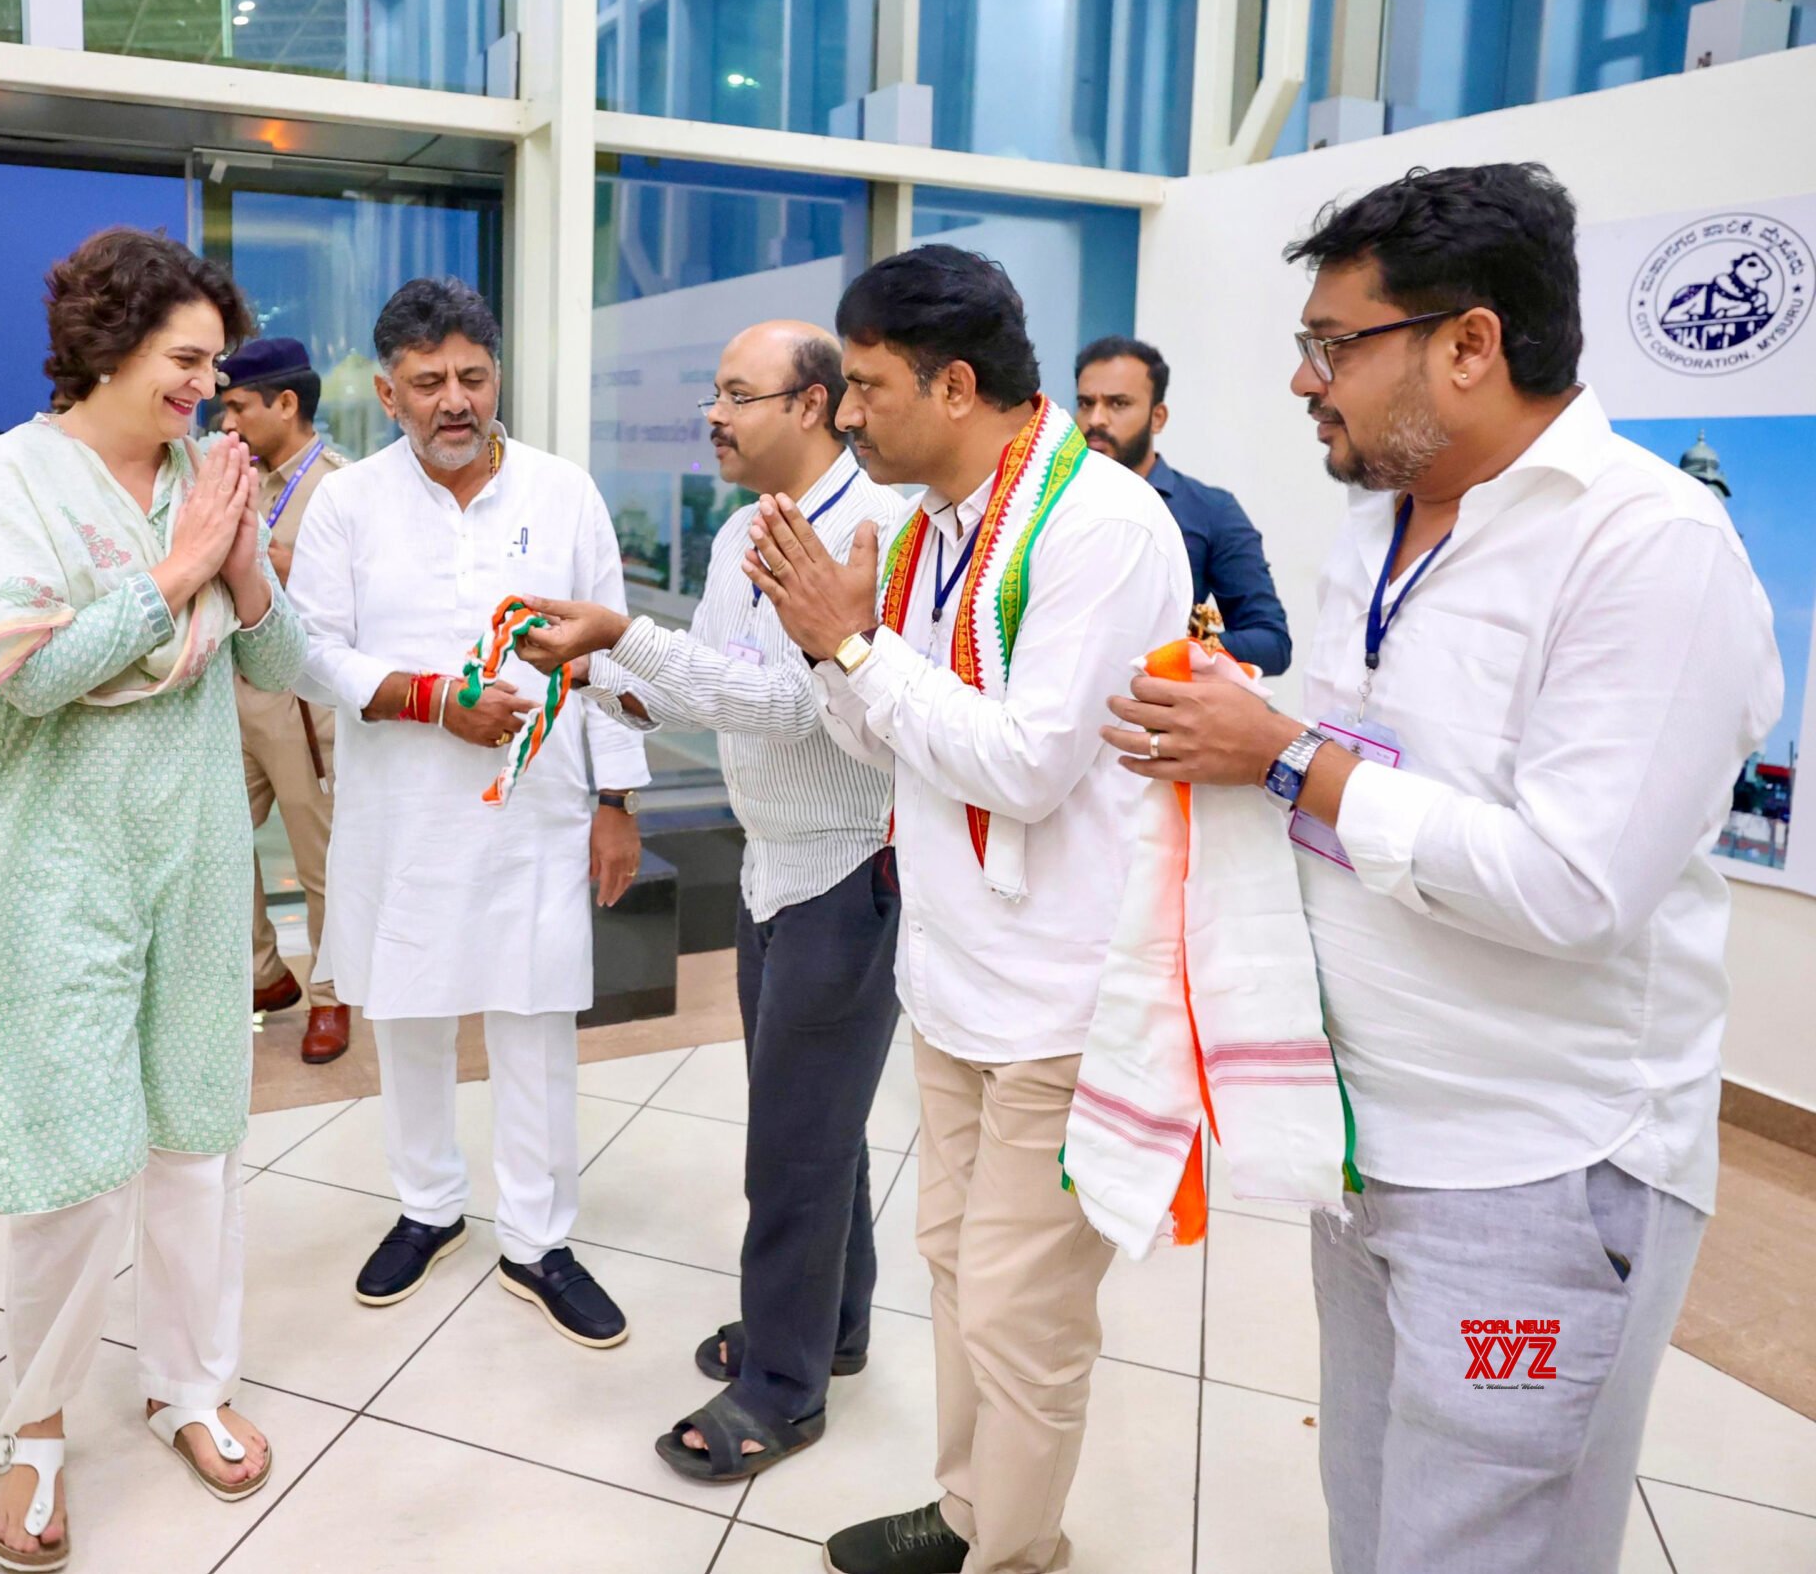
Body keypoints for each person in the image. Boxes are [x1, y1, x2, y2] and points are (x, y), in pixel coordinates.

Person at [1101, 163, 1783, 1574]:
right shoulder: (1379, 530)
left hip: (1536, 1163)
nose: (1305, 381)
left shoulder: (1648, 547)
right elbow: (1373, 772)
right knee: (1377, 1510)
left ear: (1470, 343)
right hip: (1374, 1138)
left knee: (1480, 1543)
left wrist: (1285, 753)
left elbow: (1573, 885)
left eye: (1334, 344)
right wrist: (1252, 729)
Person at [0, 228, 302, 1572]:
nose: (209, 385)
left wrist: (238, 556)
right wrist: (179, 567)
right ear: (108, 345)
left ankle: (191, 1384)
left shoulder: (210, 475)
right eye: (185, 359)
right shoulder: (11, 476)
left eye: (216, 362)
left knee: (198, 1141)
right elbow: (27, 674)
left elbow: (284, 654)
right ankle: (35, 1426)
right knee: (72, 1170)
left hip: (197, 856)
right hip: (62, 869)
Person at [746, 246, 1188, 1574]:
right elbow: (893, 745)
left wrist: (856, 644)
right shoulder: (939, 525)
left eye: (868, 386)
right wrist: (835, 643)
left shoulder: (1095, 528)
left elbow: (1029, 764)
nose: (847, 412)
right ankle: (966, 1512)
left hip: (1061, 988)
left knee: (1020, 1306)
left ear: (954, 382)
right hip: (959, 973)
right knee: (952, 1258)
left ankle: (1018, 1549)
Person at [512, 320, 909, 1479]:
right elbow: (723, 680)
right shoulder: (745, 529)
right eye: (713, 392)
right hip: (771, 861)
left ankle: (779, 1388)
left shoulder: (861, 533)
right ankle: (828, 1327)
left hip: (847, 865)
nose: (715, 416)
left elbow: (795, 707)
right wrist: (614, 682)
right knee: (813, 1125)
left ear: (816, 404)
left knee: (790, 1142)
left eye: (739, 394)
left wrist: (624, 637)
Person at [291, 277, 648, 1347]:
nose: (454, 399)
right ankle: (427, 1205)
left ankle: (539, 1239)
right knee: (406, 1007)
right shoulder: (348, 506)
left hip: (535, 811)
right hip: (400, 809)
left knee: (533, 1018)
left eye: (472, 377)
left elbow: (611, 651)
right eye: (428, 381)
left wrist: (618, 799)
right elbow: (309, 651)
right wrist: (428, 698)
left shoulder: (562, 492)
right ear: (386, 392)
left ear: (496, 377)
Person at [212, 336, 353, 1065]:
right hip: (233, 691)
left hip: (304, 702)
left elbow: (357, 586)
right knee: (217, 845)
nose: (226, 422)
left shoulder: (340, 487)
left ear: (286, 403)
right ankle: (266, 975)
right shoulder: (240, 478)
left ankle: (332, 996)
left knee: (318, 857)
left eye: (237, 406)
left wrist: (261, 558)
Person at [1074, 335, 1293, 674]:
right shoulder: (1049, 502)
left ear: (1157, 417)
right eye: (1086, 403)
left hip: (1146, 712)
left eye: (1118, 404)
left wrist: (1178, 642)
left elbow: (1272, 644)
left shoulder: (1210, 510)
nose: (1096, 420)